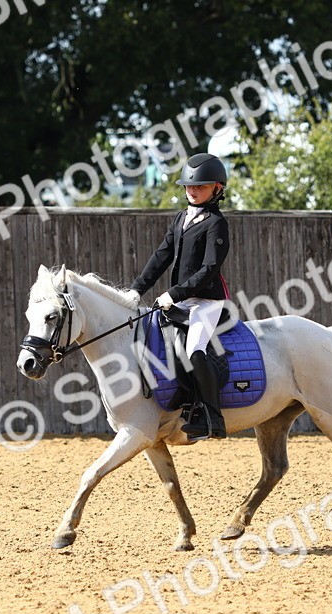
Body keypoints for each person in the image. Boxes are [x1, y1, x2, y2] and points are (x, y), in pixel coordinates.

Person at [127, 153, 230, 441]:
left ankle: (212, 417)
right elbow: (161, 256)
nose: (193, 190)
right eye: (189, 186)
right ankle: (185, 401)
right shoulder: (181, 218)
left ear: (217, 189)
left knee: (194, 348)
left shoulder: (216, 224)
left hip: (207, 301)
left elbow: (210, 270)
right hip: (182, 300)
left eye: (201, 186)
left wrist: (174, 292)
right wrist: (137, 289)